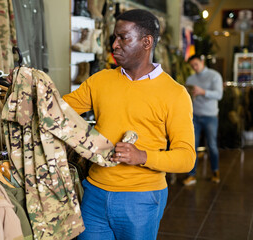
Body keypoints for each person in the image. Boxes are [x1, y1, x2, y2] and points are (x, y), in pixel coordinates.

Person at [63, 9, 195, 240]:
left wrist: (142, 156)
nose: (114, 45)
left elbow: (186, 157)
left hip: (142, 198)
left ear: (147, 42)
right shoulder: (100, 80)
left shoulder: (175, 94)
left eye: (123, 37)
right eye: (114, 37)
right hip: (94, 193)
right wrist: (32, 86)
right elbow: (57, 111)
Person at [183, 54, 223, 186]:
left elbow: (219, 94)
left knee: (211, 145)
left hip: (210, 116)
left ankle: (215, 171)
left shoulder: (214, 75)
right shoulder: (190, 78)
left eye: (196, 64)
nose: (194, 67)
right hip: (194, 116)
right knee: (192, 146)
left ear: (202, 61)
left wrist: (203, 92)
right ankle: (191, 175)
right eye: (192, 66)